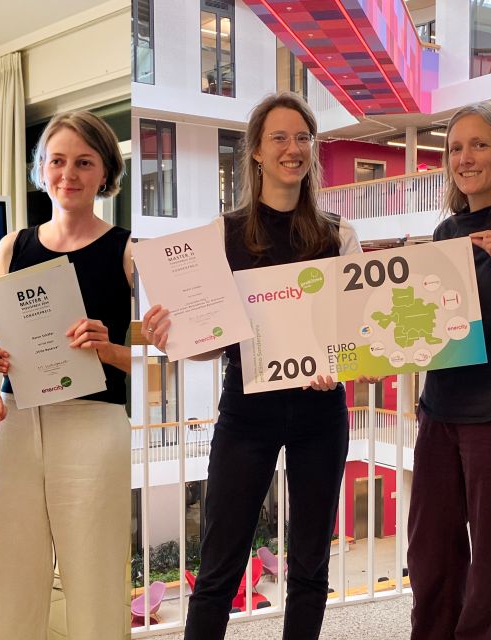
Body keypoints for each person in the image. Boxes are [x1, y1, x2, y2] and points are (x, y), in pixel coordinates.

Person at [142, 92, 362, 640]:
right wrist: (172, 337)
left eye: (303, 137)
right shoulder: (223, 234)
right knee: (219, 568)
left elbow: (356, 335)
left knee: (310, 567)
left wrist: (338, 363)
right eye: (279, 137)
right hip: (246, 416)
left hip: (320, 415)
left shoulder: (339, 235)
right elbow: (209, 344)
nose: (293, 148)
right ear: (257, 152)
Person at [0, 110, 131, 639]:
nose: (68, 174)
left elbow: (160, 354)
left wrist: (109, 349)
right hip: (16, 422)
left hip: (93, 422)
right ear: (41, 167)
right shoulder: (12, 246)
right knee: (12, 574)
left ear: (106, 171)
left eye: (84, 162)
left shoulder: (128, 251)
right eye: (57, 160)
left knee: (94, 577)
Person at [407, 101, 491, 640]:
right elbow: (430, 325)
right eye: (455, 148)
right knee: (430, 554)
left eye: (479, 145)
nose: (465, 158)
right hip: (439, 412)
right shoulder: (445, 232)